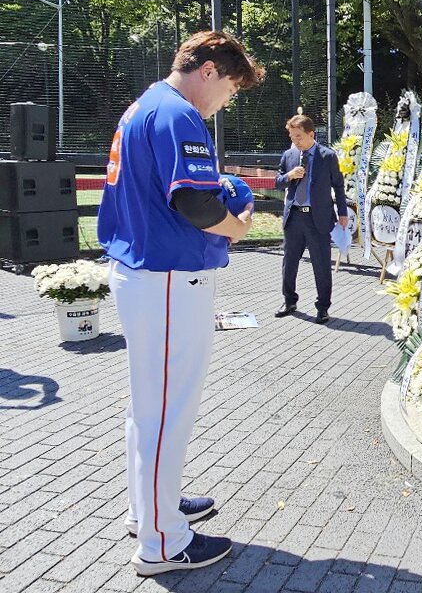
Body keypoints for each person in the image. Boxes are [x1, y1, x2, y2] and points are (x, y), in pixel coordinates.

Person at [98, 30, 265, 575]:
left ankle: (151, 511)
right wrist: (235, 228)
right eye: (231, 88)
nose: (227, 101)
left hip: (143, 273)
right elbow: (193, 203)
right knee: (166, 412)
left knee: (148, 409)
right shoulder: (177, 113)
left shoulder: (144, 105)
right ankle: (163, 543)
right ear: (209, 70)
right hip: (167, 277)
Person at [275, 113, 349, 324]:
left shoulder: (327, 156)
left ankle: (323, 308)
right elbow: (277, 181)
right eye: (291, 136)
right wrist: (289, 176)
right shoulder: (289, 155)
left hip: (318, 219)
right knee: (289, 263)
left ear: (311, 134)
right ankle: (289, 301)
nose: (294, 141)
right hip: (294, 218)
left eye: (298, 136)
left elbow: (338, 186)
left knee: (321, 266)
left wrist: (343, 213)